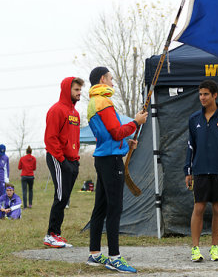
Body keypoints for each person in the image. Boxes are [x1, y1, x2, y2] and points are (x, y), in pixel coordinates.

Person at [86, 66, 148, 274]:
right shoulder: (103, 101)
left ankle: (94, 253)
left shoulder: (93, 101)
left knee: (101, 208)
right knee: (115, 208)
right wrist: (136, 122)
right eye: (111, 79)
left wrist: (125, 144)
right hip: (111, 162)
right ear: (103, 79)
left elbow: (108, 137)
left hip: (104, 158)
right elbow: (115, 132)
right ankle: (114, 257)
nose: (113, 83)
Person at [184, 80, 218, 262]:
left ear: (215, 95)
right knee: (198, 207)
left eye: (206, 94)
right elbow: (190, 147)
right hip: (200, 171)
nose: (202, 97)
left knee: (217, 208)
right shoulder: (194, 119)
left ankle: (214, 248)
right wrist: (188, 171)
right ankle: (195, 248)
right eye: (200, 94)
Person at [43, 77, 84, 248]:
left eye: (80, 90)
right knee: (60, 196)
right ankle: (50, 235)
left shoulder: (75, 113)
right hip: (57, 157)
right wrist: (62, 160)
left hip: (71, 159)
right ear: (67, 90)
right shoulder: (56, 110)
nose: (79, 93)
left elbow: (74, 138)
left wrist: (75, 159)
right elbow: (50, 139)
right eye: (76, 90)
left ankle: (57, 234)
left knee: (65, 197)